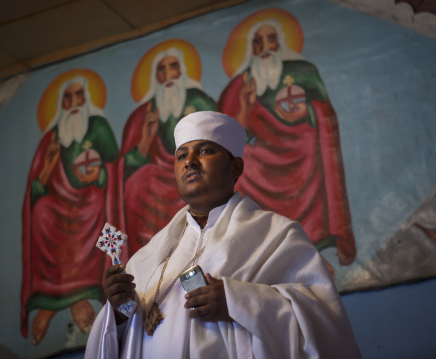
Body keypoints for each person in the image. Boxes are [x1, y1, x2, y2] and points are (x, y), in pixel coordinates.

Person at [85, 111, 362, 358]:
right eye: (182, 155)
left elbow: (323, 324)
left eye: (204, 151)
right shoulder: (146, 259)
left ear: (236, 167)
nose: (190, 162)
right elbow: (125, 336)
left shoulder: (276, 236)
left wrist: (236, 302)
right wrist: (120, 309)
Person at [219, 18, 357, 268]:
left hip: (302, 154)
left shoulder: (304, 72)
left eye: (271, 39)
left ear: (280, 42)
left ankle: (311, 252)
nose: (265, 47)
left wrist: (306, 113)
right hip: (261, 159)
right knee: (243, 166)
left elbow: (325, 116)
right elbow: (227, 140)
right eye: (257, 42)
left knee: (309, 146)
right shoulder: (240, 85)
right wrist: (245, 109)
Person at [21, 75, 119, 345]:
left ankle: (79, 297)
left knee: (100, 217)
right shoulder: (51, 137)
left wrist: (98, 178)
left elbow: (114, 171)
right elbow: (36, 191)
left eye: (79, 96)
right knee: (41, 211)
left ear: (87, 100)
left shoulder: (98, 125)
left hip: (93, 204)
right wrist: (47, 169)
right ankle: (54, 301)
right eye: (68, 97)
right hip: (58, 208)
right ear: (60, 104)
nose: (74, 103)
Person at [118, 46, 217, 258]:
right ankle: (154, 256)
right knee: (136, 183)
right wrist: (145, 139)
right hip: (163, 176)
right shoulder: (144, 114)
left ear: (182, 71)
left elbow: (218, 147)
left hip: (196, 175)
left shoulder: (199, 101)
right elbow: (128, 165)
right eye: (161, 70)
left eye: (173, 67)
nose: (168, 75)